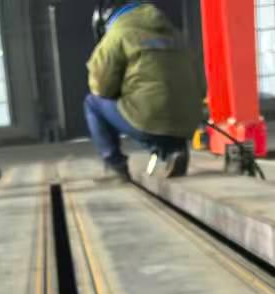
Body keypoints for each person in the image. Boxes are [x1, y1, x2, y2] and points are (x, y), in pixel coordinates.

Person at [85, 3, 200, 179]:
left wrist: (120, 90)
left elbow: (101, 87)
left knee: (92, 103)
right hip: (189, 119)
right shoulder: (174, 33)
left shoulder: (118, 32)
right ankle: (174, 150)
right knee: (157, 111)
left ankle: (115, 165)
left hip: (151, 116)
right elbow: (200, 80)